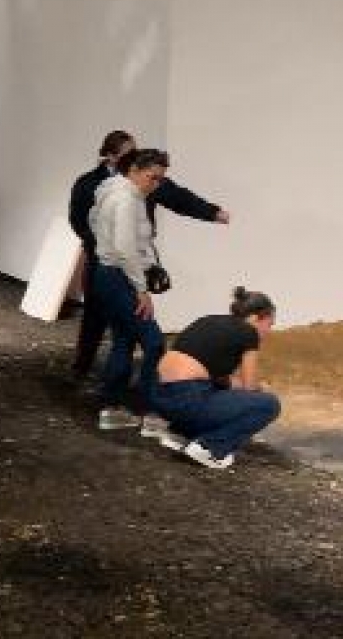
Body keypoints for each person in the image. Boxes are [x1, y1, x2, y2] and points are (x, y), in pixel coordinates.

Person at [68, 131, 229, 378]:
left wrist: (211, 212)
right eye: (129, 153)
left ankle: (113, 389)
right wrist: (103, 246)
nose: (135, 155)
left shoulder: (144, 182)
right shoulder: (96, 185)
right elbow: (84, 221)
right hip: (110, 265)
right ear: (111, 157)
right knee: (106, 322)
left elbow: (178, 197)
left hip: (125, 266)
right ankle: (84, 368)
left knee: (125, 334)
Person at [147, 288, 282, 470]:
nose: (269, 331)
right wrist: (260, 389)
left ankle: (179, 435)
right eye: (269, 324)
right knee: (268, 405)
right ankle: (209, 448)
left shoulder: (209, 321)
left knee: (217, 390)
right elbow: (249, 388)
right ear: (257, 317)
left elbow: (216, 379)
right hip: (187, 398)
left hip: (158, 395)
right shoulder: (249, 333)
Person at [88, 148, 170, 431]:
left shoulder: (111, 192)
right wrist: (141, 288)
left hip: (107, 274)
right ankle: (150, 410)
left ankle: (111, 408)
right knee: (154, 341)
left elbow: (93, 223)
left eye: (160, 179)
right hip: (118, 277)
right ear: (134, 170)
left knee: (123, 339)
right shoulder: (126, 199)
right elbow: (125, 248)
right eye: (152, 177)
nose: (155, 184)